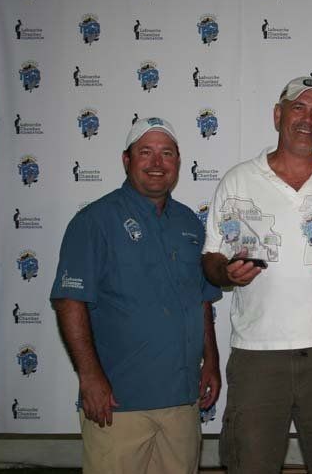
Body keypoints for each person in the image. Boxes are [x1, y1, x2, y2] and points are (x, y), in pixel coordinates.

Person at [201, 76, 312, 474]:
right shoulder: (238, 180)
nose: (308, 119)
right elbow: (210, 259)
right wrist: (226, 272)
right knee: (250, 465)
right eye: (298, 107)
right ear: (278, 115)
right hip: (257, 355)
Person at [50, 117, 221, 474]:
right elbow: (69, 301)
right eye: (146, 152)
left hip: (181, 401)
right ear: (126, 161)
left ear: (178, 162)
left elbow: (201, 299)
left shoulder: (190, 223)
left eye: (167, 153)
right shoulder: (95, 221)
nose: (157, 163)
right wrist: (90, 377)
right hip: (118, 402)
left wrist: (212, 361)